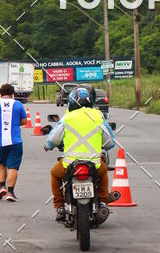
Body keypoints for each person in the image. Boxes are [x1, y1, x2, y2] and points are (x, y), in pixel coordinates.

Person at [44, 86, 116, 222]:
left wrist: (47, 146)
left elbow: (53, 140)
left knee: (54, 173)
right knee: (103, 172)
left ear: (71, 102)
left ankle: (60, 207)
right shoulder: (98, 116)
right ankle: (102, 201)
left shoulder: (67, 117)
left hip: (69, 164)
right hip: (94, 164)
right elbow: (110, 143)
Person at [0, 83, 27, 202]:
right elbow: (24, 121)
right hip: (15, 141)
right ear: (12, 94)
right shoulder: (18, 104)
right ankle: (10, 193)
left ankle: (2, 186)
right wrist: (15, 123)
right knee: (13, 167)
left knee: (1, 164)